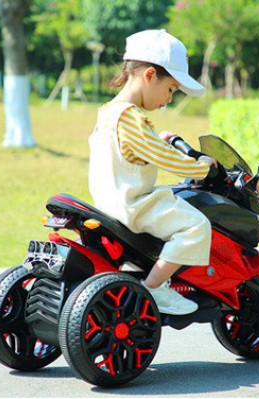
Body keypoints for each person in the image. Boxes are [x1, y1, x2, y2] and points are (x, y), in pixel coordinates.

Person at [88, 29, 215, 317]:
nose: (169, 98)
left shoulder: (109, 112)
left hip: (108, 204)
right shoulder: (131, 117)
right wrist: (202, 167)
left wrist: (160, 139)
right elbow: (167, 159)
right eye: (171, 89)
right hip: (133, 205)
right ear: (149, 75)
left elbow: (133, 150)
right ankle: (156, 286)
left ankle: (142, 271)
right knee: (196, 226)